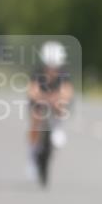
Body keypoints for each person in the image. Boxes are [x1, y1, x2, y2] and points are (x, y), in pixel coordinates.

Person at [26, 41, 73, 179]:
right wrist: (42, 98)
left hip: (56, 102)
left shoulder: (64, 73)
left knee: (61, 105)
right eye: (49, 67)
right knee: (36, 116)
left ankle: (58, 129)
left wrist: (57, 100)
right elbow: (32, 91)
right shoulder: (37, 72)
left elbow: (67, 92)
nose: (52, 70)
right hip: (40, 102)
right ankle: (32, 155)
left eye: (55, 67)